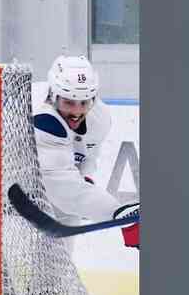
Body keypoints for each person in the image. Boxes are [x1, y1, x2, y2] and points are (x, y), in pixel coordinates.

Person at [32, 55, 139, 249]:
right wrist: (119, 214)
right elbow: (63, 188)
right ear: (53, 96)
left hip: (50, 183)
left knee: (59, 259)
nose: (77, 112)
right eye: (69, 102)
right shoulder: (43, 119)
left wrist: (85, 175)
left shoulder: (100, 116)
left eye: (84, 102)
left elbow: (88, 154)